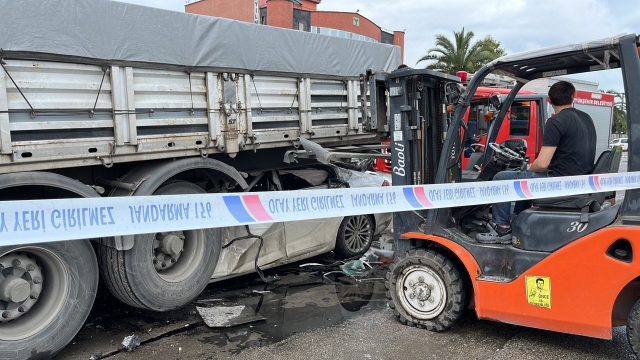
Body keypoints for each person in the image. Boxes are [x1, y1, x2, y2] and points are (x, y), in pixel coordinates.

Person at [476, 81, 597, 244]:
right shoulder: (587, 118)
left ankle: (502, 229)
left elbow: (542, 164)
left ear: (549, 100)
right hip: (577, 179)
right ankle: (520, 221)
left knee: (501, 178)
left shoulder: (556, 121)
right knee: (526, 177)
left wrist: (531, 167)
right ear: (573, 96)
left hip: (559, 182)